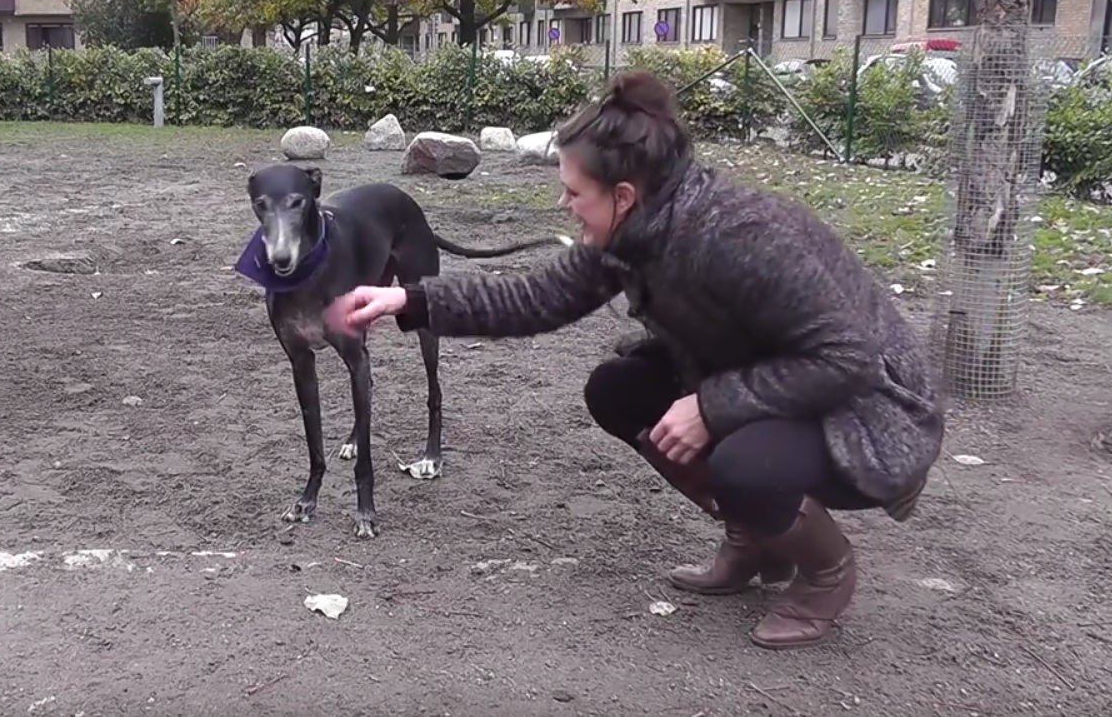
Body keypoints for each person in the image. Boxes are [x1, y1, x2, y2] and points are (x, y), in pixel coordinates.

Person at [324, 70, 944, 650]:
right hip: (782, 382)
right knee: (619, 390)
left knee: (744, 465)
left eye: (573, 192)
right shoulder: (639, 228)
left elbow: (849, 357)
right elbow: (537, 298)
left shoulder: (739, 237)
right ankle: (758, 541)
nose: (565, 206)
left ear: (623, 195)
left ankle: (826, 573)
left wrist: (711, 406)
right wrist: (407, 298)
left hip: (871, 413)